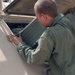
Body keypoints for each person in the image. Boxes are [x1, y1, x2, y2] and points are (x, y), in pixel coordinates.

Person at [7, 0, 75, 75]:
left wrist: (20, 44)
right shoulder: (70, 19)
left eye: (37, 17)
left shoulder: (49, 35)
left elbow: (35, 59)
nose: (38, 20)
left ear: (44, 16)